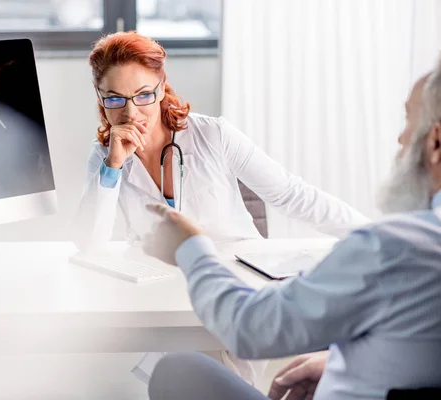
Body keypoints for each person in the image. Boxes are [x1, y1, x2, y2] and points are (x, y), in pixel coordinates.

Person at [72, 31, 369, 385]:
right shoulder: (104, 155)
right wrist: (114, 166)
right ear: (100, 99)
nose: (132, 112)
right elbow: (89, 242)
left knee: (194, 373)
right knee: (183, 373)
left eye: (144, 95)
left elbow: (292, 194)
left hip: (233, 288)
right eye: (115, 99)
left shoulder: (212, 136)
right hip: (165, 295)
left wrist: (373, 236)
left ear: (162, 86)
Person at [143, 65, 441, 399]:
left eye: (409, 121)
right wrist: (339, 361)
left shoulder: (393, 248)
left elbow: (250, 327)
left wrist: (191, 247)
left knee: (179, 370)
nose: (401, 138)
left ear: (435, 142)